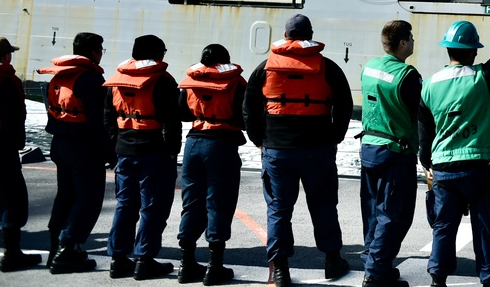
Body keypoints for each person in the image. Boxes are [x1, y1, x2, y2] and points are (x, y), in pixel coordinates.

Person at [419, 0, 490, 287]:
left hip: (443, 169)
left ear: (448, 50)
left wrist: (427, 163)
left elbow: (425, 132)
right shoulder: (483, 79)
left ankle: (437, 281)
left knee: (443, 228)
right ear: (473, 52)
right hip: (477, 169)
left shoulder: (429, 86)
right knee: (487, 226)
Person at [244, 14, 354, 287]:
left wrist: (260, 140)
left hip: (278, 149)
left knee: (279, 209)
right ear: (310, 35)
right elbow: (344, 104)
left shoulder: (264, 68)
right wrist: (335, 137)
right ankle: (332, 260)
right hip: (317, 148)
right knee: (324, 204)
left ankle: (279, 269)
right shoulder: (327, 67)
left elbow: (249, 108)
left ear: (285, 34)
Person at [103, 34, 181, 280]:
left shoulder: (116, 80)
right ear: (158, 54)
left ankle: (118, 259)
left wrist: (115, 147)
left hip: (125, 151)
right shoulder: (162, 81)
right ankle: (144, 260)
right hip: (154, 152)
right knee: (153, 207)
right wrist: (172, 150)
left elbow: (108, 119)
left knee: (125, 205)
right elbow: (171, 121)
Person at [38, 32, 113, 274]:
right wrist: (111, 153)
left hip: (60, 144)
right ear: (93, 51)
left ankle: (54, 249)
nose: (101, 54)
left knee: (66, 196)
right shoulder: (91, 80)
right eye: (100, 49)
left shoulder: (60, 77)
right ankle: (68, 249)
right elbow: (97, 123)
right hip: (84, 147)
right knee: (88, 198)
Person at [176, 44, 247, 285]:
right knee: (219, 203)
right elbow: (244, 115)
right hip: (221, 145)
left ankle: (186, 265)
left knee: (191, 202)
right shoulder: (235, 82)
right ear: (225, 61)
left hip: (193, 144)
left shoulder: (190, 79)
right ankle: (214, 267)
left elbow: (183, 113)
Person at [359, 20, 421, 287]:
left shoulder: (369, 67)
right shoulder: (407, 75)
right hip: (396, 151)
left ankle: (375, 264)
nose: (413, 42)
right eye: (411, 38)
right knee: (393, 215)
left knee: (372, 212)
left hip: (370, 147)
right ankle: (376, 274)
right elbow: (420, 115)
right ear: (403, 43)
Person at [0, 36, 41, 272]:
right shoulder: (7, 81)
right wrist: (17, 144)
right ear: (5, 56)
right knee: (12, 198)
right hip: (1, 147)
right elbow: (11, 117)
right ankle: (11, 253)